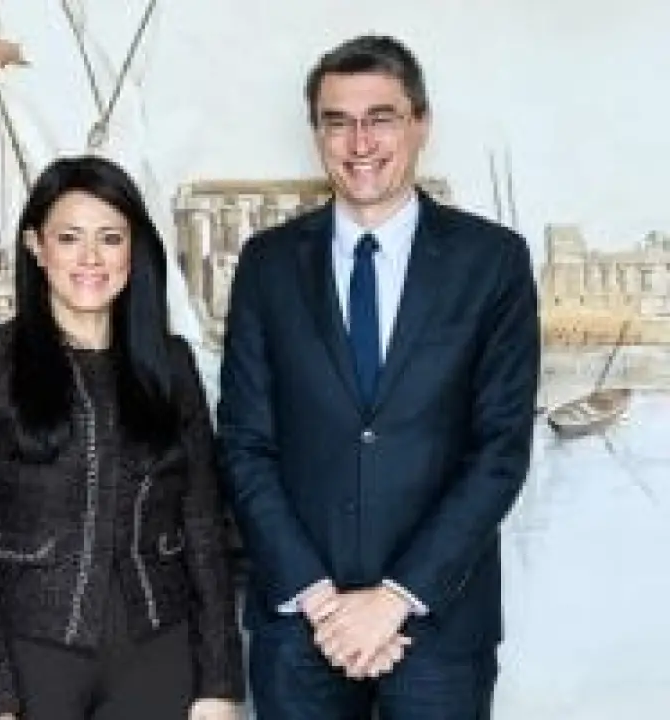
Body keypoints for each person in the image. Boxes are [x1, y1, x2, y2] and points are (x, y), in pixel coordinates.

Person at [216, 35, 539, 719]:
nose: (359, 143)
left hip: (439, 623)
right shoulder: (267, 265)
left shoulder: (492, 263)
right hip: (300, 624)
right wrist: (322, 603)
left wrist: (393, 600)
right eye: (337, 122)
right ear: (317, 134)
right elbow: (245, 444)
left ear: (421, 123)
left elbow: (499, 451)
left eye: (380, 118)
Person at [0, 155, 244, 720]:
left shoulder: (170, 365)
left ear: (134, 250)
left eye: (110, 238)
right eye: (69, 238)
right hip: (30, 655)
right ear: (36, 246)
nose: (91, 258)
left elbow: (202, 527)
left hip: (159, 652)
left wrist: (219, 683)